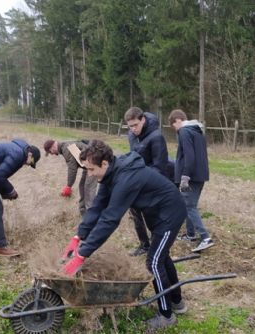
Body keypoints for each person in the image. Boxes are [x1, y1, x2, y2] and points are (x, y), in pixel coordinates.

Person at [61, 140, 187, 331]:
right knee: (162, 257)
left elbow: (110, 219)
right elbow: (97, 208)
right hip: (156, 212)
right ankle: (177, 302)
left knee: (154, 261)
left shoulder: (126, 179)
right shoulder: (109, 175)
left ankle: (166, 316)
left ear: (104, 163)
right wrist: (79, 236)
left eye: (91, 169)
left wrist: (82, 254)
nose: (90, 174)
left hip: (170, 214)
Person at [0, 139, 41, 257]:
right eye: (30, 162)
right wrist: (11, 191)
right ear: (30, 154)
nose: (27, 164)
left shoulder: (14, 148)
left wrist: (6, 193)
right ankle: (0, 246)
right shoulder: (18, 154)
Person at [124, 107, 175, 257]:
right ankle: (144, 244)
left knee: (152, 214)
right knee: (134, 211)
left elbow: (160, 165)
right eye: (130, 126)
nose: (133, 129)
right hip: (138, 179)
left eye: (135, 125)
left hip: (154, 180)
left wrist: (144, 179)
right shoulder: (132, 136)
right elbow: (134, 156)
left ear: (143, 120)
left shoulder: (156, 137)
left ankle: (156, 245)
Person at [168, 109, 214, 252]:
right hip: (201, 174)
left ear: (178, 120)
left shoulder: (184, 131)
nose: (175, 130)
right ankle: (190, 234)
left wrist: (185, 176)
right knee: (189, 204)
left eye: (173, 126)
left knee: (189, 206)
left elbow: (189, 155)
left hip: (191, 176)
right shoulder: (197, 131)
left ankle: (205, 237)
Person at [43, 139, 98, 216]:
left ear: (52, 147)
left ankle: (92, 214)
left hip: (94, 164)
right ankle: (83, 210)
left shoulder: (66, 149)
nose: (51, 154)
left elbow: (72, 169)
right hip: (88, 165)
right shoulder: (65, 146)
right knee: (82, 186)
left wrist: (68, 186)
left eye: (50, 152)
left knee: (88, 189)